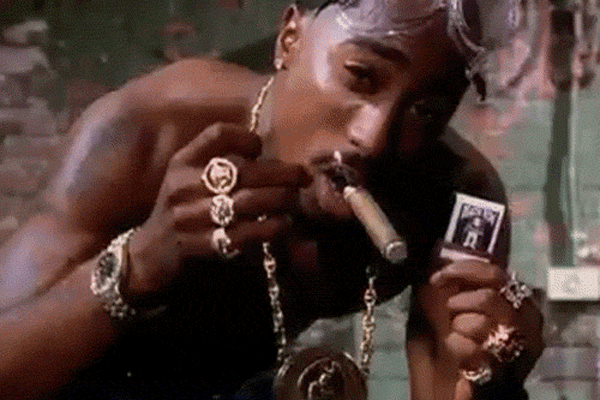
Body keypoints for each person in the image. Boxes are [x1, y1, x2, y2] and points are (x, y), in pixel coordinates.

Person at [0, 1, 544, 399]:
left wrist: (493, 376)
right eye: (361, 76)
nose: (373, 138)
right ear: (289, 39)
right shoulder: (148, 131)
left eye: (428, 109)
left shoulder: (456, 197)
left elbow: (451, 385)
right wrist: (140, 263)